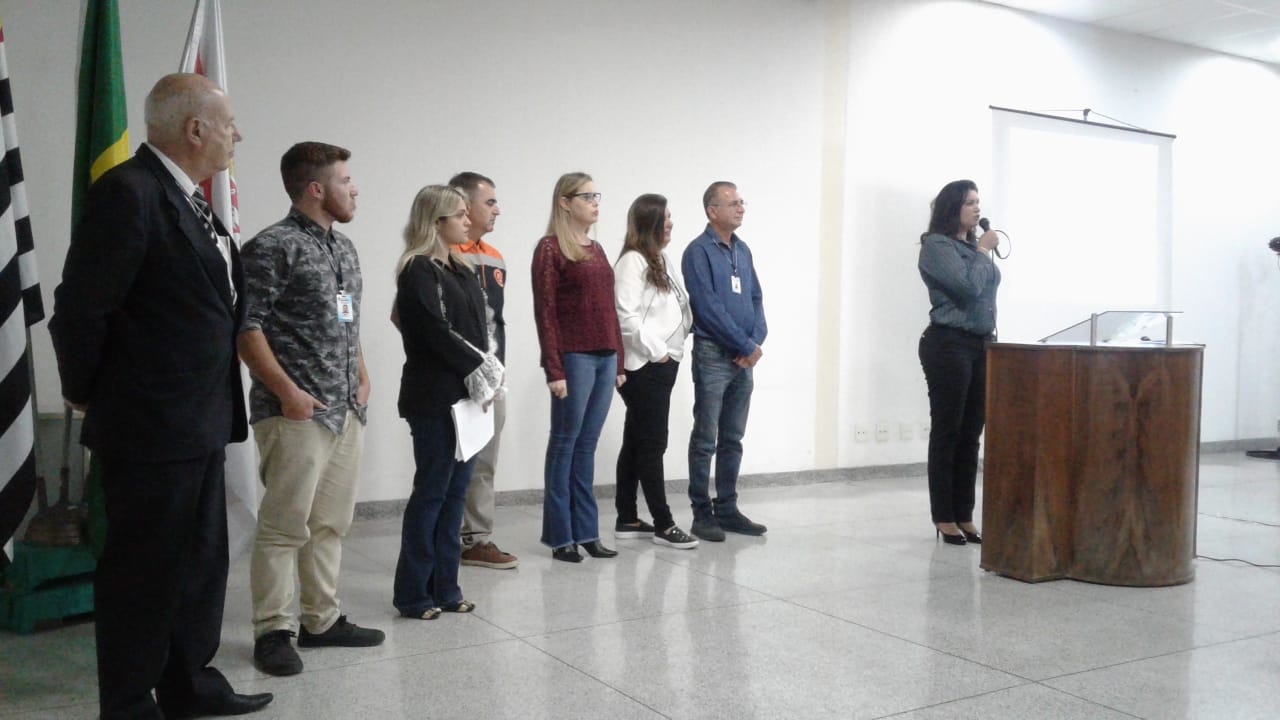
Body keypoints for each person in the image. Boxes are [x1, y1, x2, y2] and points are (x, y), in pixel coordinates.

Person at [48, 73, 272, 719]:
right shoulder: (129, 193)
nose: (237, 134)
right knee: (143, 573)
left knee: (199, 564)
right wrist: (92, 393)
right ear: (195, 129)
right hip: (148, 426)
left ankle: (188, 684)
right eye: (228, 123)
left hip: (199, 420)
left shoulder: (194, 203)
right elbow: (79, 311)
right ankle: (127, 702)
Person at [238, 142, 384, 677]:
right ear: (316, 188)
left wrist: (363, 376)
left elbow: (348, 323)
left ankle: (320, 620)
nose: (355, 188)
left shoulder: (343, 248)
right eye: (346, 180)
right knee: (284, 526)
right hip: (294, 413)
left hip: (346, 411)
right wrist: (287, 392)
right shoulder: (271, 247)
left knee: (330, 524)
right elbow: (246, 328)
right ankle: (273, 630)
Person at [392, 184, 504, 618]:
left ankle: (447, 588)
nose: (467, 220)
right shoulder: (418, 269)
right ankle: (414, 594)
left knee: (456, 495)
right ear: (435, 222)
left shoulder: (460, 268)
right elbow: (434, 333)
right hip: (435, 397)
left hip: (468, 397)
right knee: (432, 493)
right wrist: (483, 370)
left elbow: (479, 332)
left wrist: (487, 378)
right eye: (458, 214)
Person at [532, 172, 624, 562]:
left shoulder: (598, 249)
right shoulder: (550, 249)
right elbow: (546, 312)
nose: (595, 202)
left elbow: (609, 309)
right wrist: (554, 368)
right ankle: (559, 535)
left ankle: (587, 531)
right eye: (587, 196)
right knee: (565, 443)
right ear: (565, 202)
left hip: (604, 356)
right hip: (574, 357)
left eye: (596, 195)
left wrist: (619, 358)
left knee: (587, 446)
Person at [682, 181, 768, 542]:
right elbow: (707, 307)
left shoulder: (742, 250)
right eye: (732, 203)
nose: (741, 208)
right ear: (711, 211)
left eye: (741, 202)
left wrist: (756, 340)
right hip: (713, 355)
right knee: (706, 438)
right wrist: (743, 342)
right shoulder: (698, 252)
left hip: (742, 359)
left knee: (733, 437)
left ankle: (728, 508)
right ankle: (702, 513)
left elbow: (755, 297)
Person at [916, 179, 1001, 546]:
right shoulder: (935, 246)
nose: (977, 209)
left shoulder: (969, 247)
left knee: (971, 434)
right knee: (948, 431)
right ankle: (944, 516)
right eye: (970, 202)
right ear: (953, 208)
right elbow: (966, 289)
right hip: (948, 344)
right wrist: (983, 251)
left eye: (978, 202)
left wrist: (979, 251)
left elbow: (983, 287)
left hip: (982, 345)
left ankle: (965, 514)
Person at [612, 194, 698, 549]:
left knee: (635, 440)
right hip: (645, 366)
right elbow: (625, 317)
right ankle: (664, 523)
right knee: (653, 443)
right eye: (665, 218)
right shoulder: (632, 262)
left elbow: (679, 306)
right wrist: (659, 352)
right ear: (650, 223)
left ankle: (628, 518)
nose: (671, 223)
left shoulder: (661, 259)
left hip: (665, 363)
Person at [448, 171, 519, 570]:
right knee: (453, 464)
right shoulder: (441, 253)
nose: (497, 209)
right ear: (464, 204)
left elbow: (495, 322)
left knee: (485, 463)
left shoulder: (494, 257)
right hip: (456, 379)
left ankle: (477, 539)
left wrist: (498, 372)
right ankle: (446, 539)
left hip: (493, 381)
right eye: (489, 202)